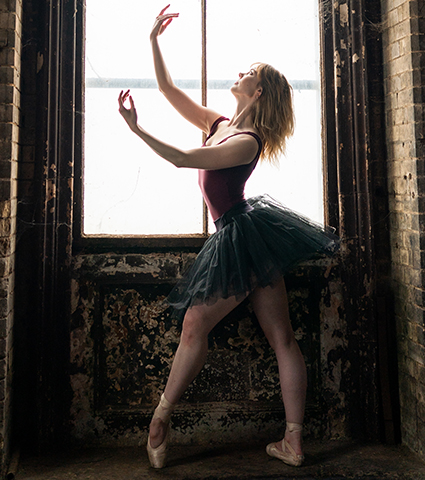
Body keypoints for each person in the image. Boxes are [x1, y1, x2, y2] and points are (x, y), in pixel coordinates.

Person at [117, 5, 339, 469]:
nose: (238, 73)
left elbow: (182, 159)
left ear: (256, 91)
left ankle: (163, 421)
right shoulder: (222, 126)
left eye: (247, 72)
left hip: (241, 237)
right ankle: (291, 441)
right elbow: (168, 90)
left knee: (219, 330)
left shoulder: (246, 140)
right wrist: (154, 40)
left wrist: (137, 131)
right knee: (278, 337)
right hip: (247, 239)